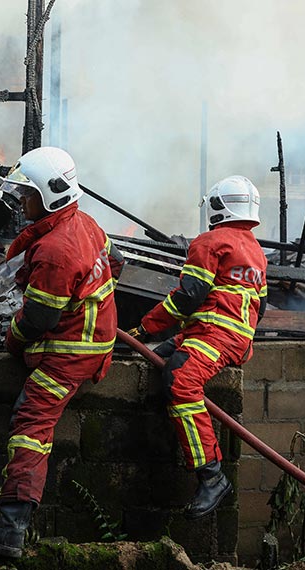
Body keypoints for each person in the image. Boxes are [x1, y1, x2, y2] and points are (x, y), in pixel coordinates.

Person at [0, 146, 123, 558]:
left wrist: (7, 335)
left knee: (31, 421)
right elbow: (117, 261)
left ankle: (11, 527)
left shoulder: (56, 251)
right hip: (90, 340)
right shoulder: (85, 223)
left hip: (70, 353)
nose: (21, 203)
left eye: (27, 195)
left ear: (49, 196)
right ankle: (13, 522)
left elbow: (36, 320)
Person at [129, 175, 267, 520]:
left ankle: (211, 474)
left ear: (218, 207)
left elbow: (188, 297)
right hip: (226, 336)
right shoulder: (255, 250)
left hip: (214, 336)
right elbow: (260, 307)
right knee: (157, 356)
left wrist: (146, 325)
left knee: (179, 380)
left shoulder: (211, 242)